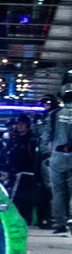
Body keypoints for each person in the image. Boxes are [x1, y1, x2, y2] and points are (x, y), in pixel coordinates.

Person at [0, 115, 42, 227]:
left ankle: (26, 220)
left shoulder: (31, 141)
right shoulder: (15, 140)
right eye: (18, 124)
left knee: (25, 200)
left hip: (27, 174)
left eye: (22, 124)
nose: (19, 127)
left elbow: (34, 158)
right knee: (15, 199)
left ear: (27, 125)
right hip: (15, 173)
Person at [44, 83, 72, 235]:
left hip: (58, 157)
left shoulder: (54, 114)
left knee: (58, 192)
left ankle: (60, 224)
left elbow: (46, 137)